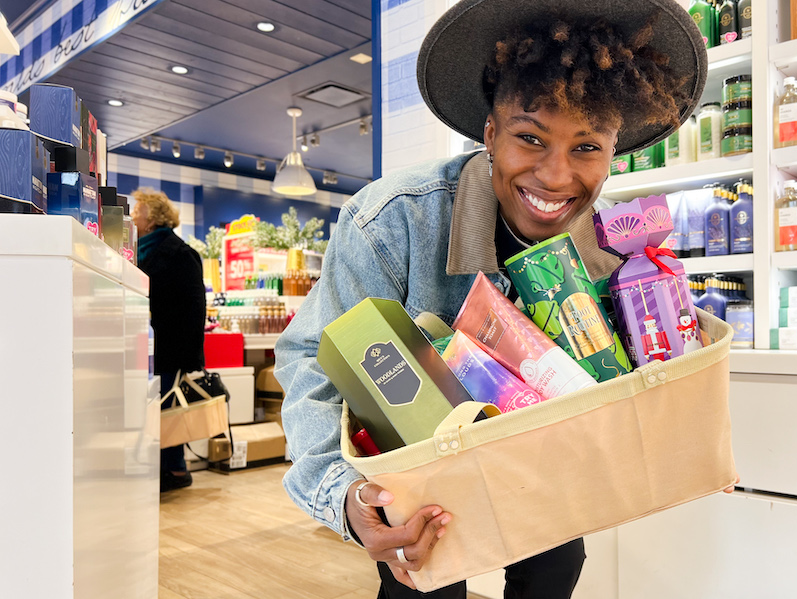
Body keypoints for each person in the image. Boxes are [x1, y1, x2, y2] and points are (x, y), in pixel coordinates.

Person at [275, 0, 736, 596]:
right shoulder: (393, 222)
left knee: (557, 563)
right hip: (422, 475)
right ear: (490, 133)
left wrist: (686, 428)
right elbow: (312, 355)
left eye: (587, 147)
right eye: (530, 138)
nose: (555, 175)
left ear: (614, 149)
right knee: (425, 579)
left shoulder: (613, 253)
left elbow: (637, 376)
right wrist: (343, 494)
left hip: (547, 468)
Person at [134, 188, 206, 493]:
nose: (132, 215)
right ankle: (162, 468)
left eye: (137, 211)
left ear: (151, 217)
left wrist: (190, 358)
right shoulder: (139, 250)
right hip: (147, 346)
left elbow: (194, 308)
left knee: (168, 409)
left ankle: (175, 471)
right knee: (156, 408)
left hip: (170, 348)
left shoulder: (179, 253)